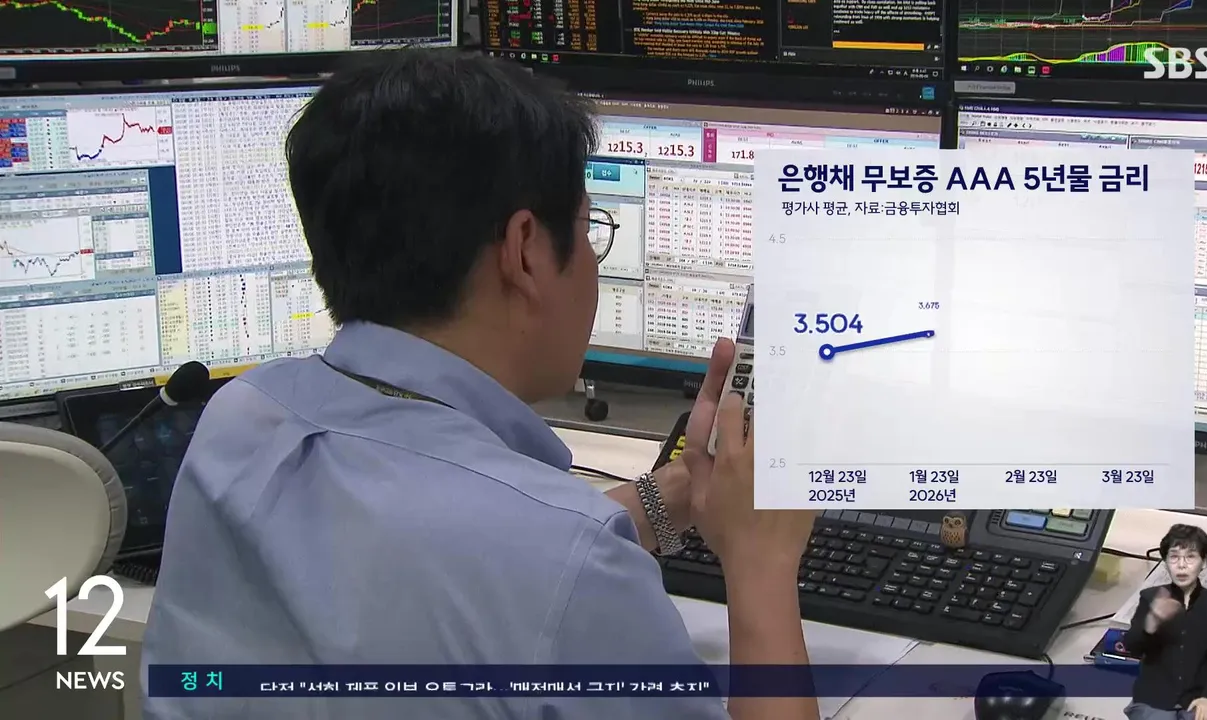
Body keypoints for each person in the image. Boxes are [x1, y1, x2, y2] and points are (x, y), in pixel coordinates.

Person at [141, 49, 819, 720]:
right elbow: (530, 560)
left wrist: (663, 501)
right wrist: (758, 562)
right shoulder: (574, 568)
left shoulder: (237, 422)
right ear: (524, 250)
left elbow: (443, 549)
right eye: (588, 230)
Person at [1121, 524, 1207, 720]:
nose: (1181, 565)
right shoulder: (1150, 598)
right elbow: (1133, 648)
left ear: (1204, 562)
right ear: (1165, 561)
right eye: (1174, 557)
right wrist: (1152, 621)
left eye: (1190, 557)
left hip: (1198, 697)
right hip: (1154, 699)